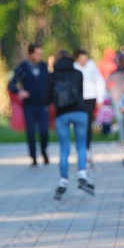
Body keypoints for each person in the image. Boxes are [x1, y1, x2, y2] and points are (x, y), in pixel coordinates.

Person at [46, 49, 95, 200]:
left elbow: (48, 98)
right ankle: (82, 175)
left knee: (64, 149)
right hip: (80, 112)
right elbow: (79, 94)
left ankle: (63, 181)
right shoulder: (78, 74)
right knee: (81, 146)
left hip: (62, 114)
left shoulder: (52, 76)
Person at [8, 43, 50, 166]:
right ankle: (33, 156)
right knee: (31, 132)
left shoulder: (44, 66)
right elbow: (11, 84)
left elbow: (49, 82)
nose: (39, 56)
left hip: (42, 105)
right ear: (30, 54)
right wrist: (19, 91)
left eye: (41, 53)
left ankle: (43, 150)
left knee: (44, 132)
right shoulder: (22, 68)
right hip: (29, 106)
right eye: (37, 53)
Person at [73, 48, 106, 162]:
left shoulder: (91, 66)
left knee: (87, 124)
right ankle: (80, 149)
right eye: (81, 59)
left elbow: (99, 81)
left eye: (85, 59)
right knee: (79, 124)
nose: (83, 61)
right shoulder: (74, 67)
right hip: (78, 99)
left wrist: (100, 98)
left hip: (90, 98)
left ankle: (87, 149)